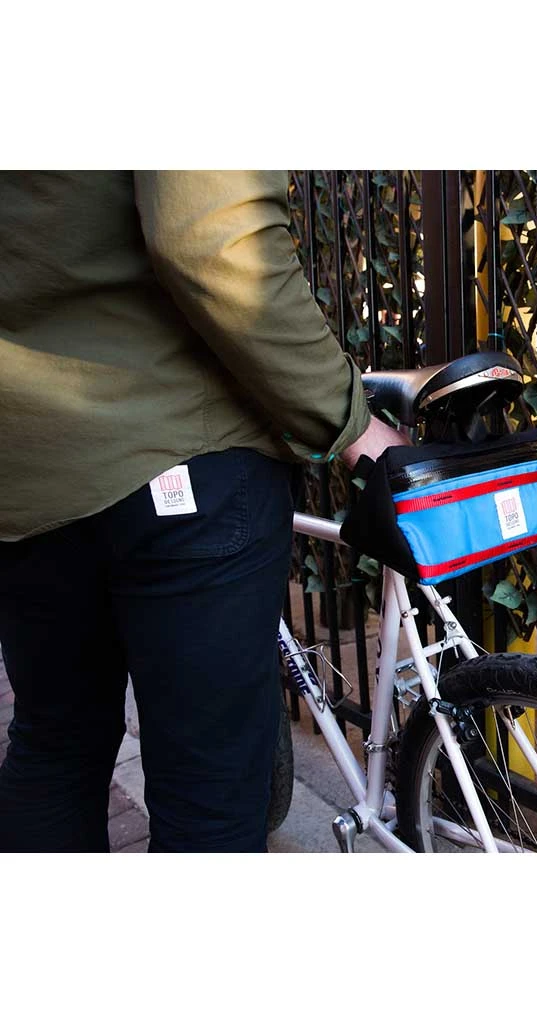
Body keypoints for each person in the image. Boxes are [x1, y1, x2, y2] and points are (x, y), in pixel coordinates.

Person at [0, 170, 407, 852]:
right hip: (180, 452)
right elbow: (212, 237)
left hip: (27, 465)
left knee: (54, 747)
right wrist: (355, 428)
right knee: (209, 801)